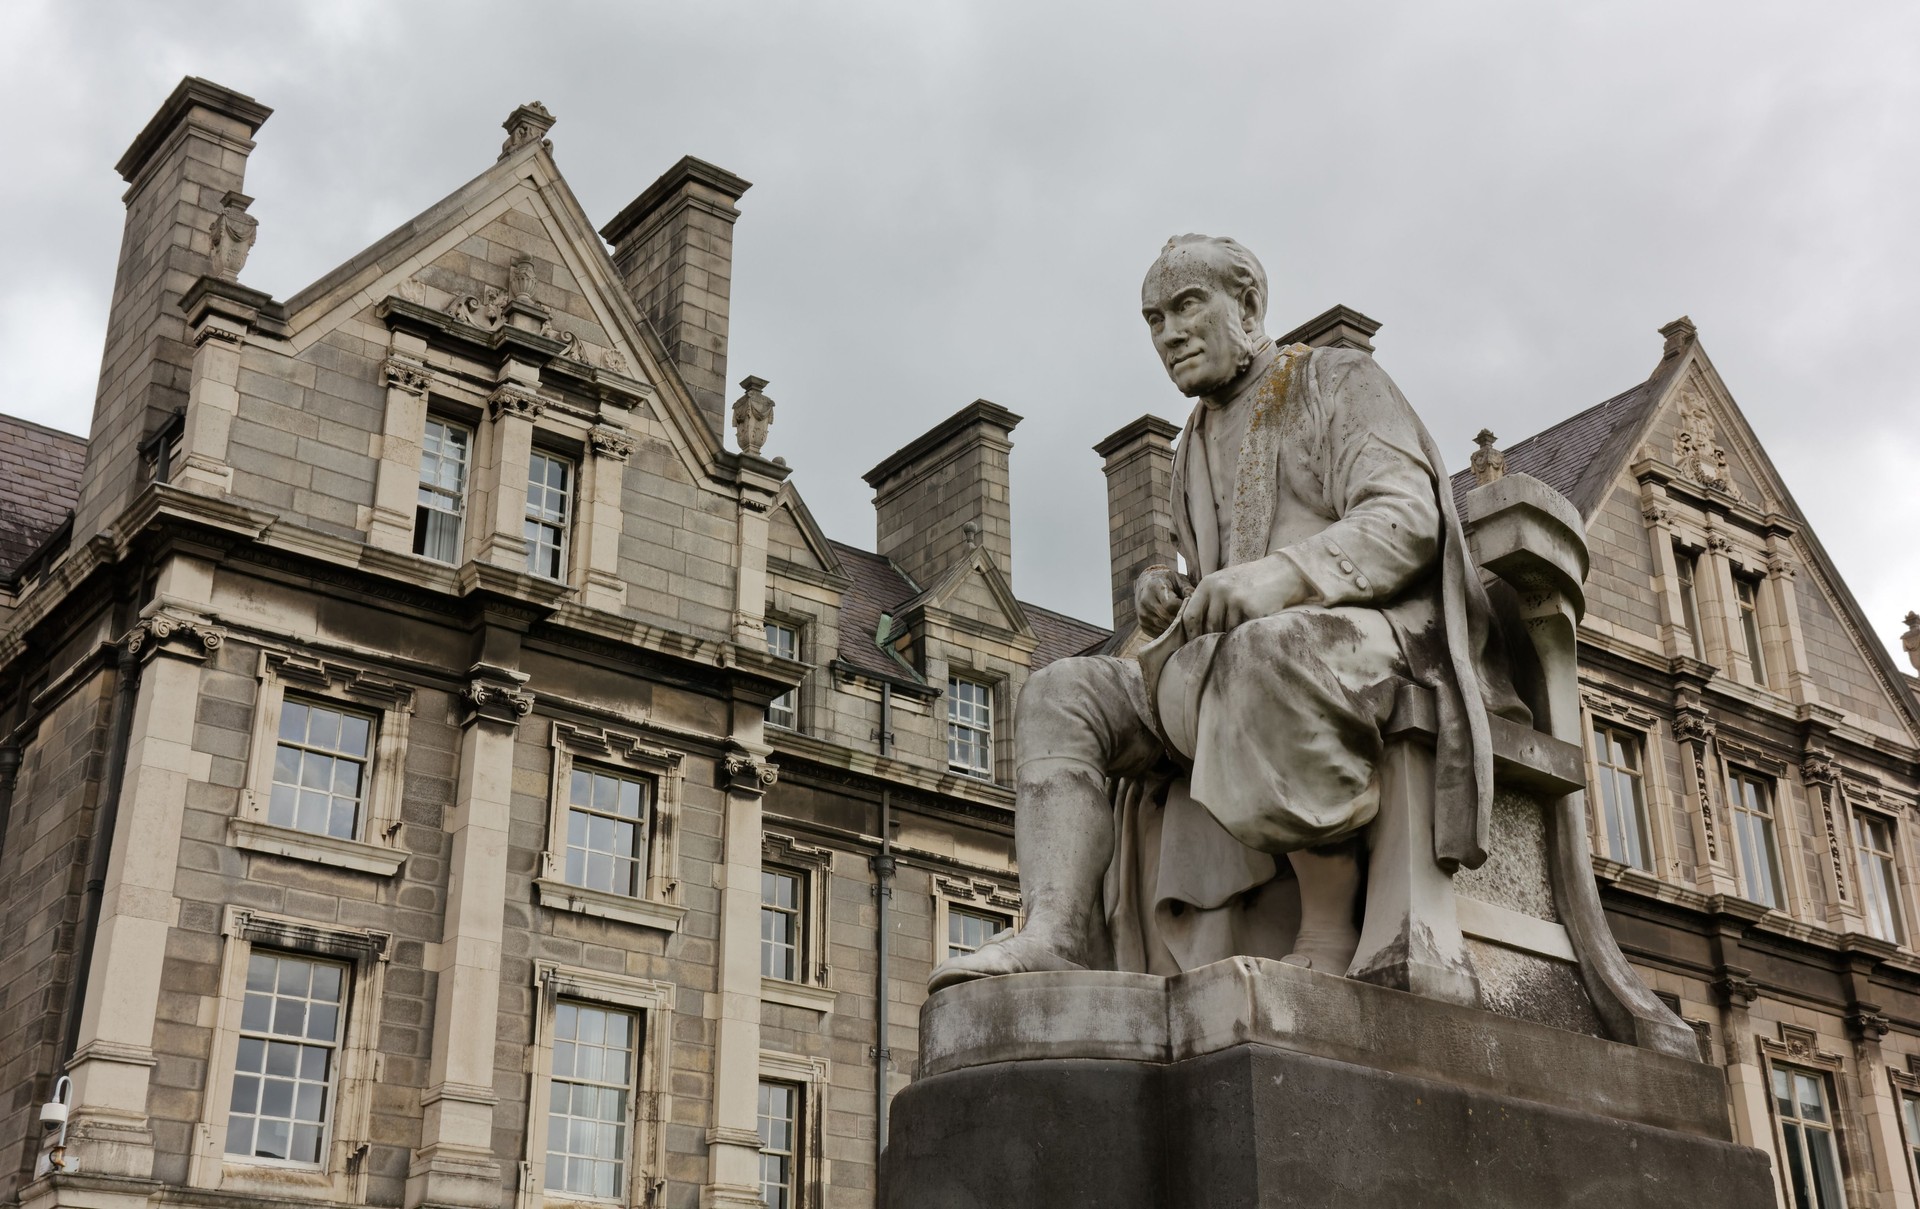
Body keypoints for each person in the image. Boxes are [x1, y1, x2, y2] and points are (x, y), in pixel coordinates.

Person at [929, 235, 1519, 990]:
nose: (1168, 333)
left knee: (1264, 651)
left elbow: (1407, 518)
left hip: (1377, 632)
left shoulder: (1337, 380)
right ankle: (1057, 931)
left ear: (1247, 305)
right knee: (1059, 692)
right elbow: (1221, 572)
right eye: (1152, 319)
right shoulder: (1196, 439)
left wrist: (1283, 578)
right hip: (1228, 652)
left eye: (1185, 306)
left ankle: (1328, 925)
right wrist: (1168, 586)